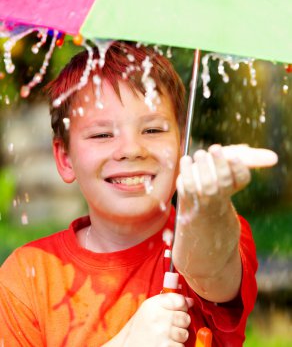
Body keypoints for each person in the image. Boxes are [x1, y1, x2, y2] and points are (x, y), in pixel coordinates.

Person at [0, 41, 265, 347]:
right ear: (65, 159)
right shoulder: (27, 277)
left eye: (152, 130)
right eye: (102, 134)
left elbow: (210, 266)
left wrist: (208, 204)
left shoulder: (211, 233)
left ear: (181, 145)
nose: (131, 150)